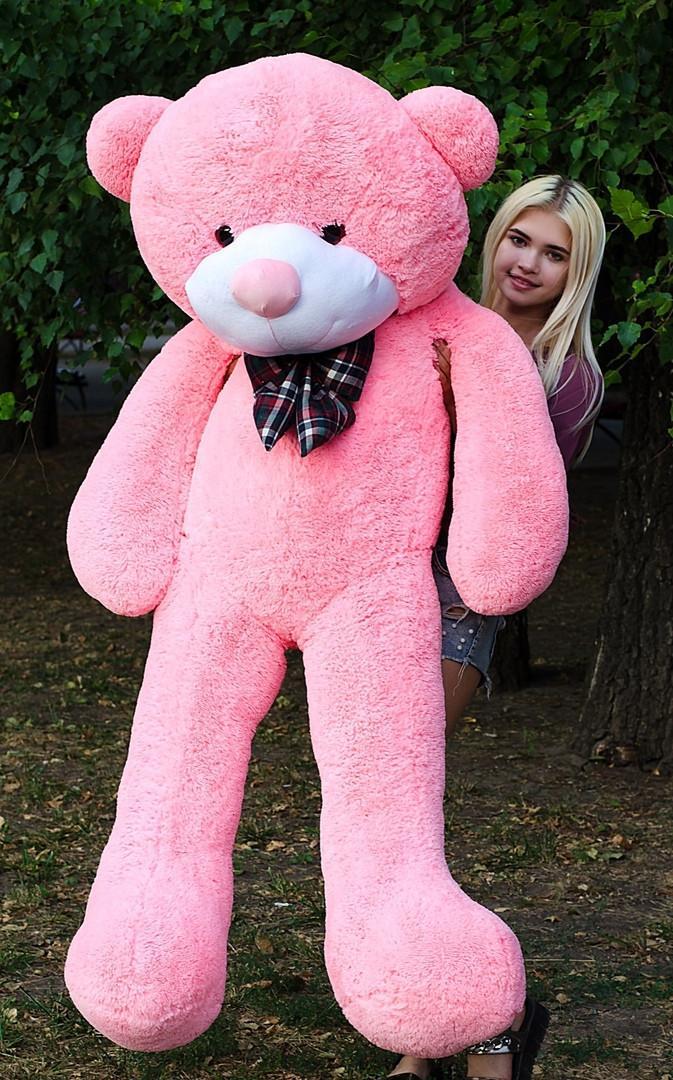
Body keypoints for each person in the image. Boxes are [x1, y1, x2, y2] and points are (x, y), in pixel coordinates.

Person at [388, 176, 606, 1080]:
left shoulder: (567, 379)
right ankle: (432, 1030)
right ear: (495, 236)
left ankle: (486, 1023)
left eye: (555, 254)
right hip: (375, 585)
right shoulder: (430, 319)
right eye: (521, 239)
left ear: (575, 273)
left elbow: (514, 512)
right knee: (386, 821)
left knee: (400, 811)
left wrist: (467, 399)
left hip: (455, 602)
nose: (528, 264)